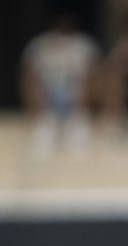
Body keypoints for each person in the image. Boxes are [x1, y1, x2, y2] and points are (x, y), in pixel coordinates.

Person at [21, 13, 99, 157]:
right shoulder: (39, 44)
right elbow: (29, 74)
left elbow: (92, 73)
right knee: (35, 81)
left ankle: (79, 120)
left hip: (73, 92)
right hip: (48, 92)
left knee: (84, 81)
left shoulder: (82, 45)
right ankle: (43, 121)